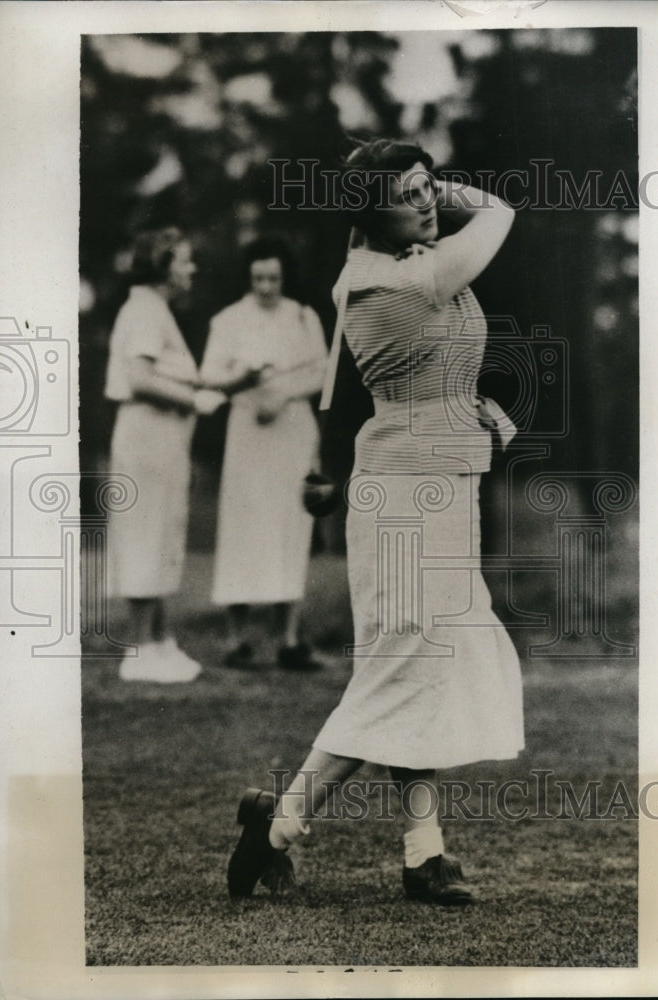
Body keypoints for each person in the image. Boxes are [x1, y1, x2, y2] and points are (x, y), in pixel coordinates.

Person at [227, 139, 524, 904]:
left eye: (430, 187)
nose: (427, 202)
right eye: (408, 194)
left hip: (444, 484)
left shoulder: (409, 258)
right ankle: (280, 826)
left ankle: (424, 853)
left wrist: (472, 405)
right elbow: (498, 211)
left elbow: (437, 370)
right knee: (400, 668)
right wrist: (432, 193)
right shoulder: (385, 282)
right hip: (401, 497)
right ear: (368, 213)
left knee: (418, 668)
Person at [200, 238, 328, 671]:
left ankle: (288, 639)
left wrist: (285, 394)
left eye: (273, 277)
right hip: (249, 433)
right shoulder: (229, 320)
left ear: (284, 277)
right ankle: (238, 640)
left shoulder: (302, 316)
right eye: (258, 278)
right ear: (248, 278)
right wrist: (243, 376)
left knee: (289, 529)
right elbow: (209, 375)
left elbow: (321, 371)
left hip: (292, 430)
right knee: (244, 528)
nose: (266, 286)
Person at [105, 227, 226, 683]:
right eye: (185, 260)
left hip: (162, 439)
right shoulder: (144, 311)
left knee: (159, 535)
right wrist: (194, 400)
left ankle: (158, 641)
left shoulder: (155, 311)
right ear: (162, 265)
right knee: (144, 535)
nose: (191, 268)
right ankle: (138, 650)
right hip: (146, 437)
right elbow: (139, 379)